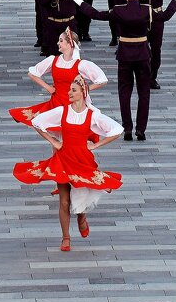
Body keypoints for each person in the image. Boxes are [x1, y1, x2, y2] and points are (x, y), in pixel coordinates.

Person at [14, 76, 123, 251]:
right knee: (64, 201)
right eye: (69, 90)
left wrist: (96, 145)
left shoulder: (93, 115)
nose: (69, 93)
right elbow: (37, 122)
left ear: (83, 93)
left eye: (73, 90)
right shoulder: (62, 111)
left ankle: (81, 216)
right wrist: (54, 142)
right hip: (63, 159)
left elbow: (117, 130)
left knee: (80, 197)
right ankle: (66, 238)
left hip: (82, 160)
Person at [71, 0, 176, 141]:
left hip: (124, 54)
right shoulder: (147, 10)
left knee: (125, 93)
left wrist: (79, 2)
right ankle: (141, 130)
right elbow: (165, 16)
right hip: (143, 54)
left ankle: (128, 129)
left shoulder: (118, 10)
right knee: (144, 93)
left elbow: (95, 14)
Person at [10, 29, 108, 125]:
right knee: (41, 124)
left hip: (73, 105)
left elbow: (102, 80)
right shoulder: (53, 60)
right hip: (55, 103)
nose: (58, 43)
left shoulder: (81, 64)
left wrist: (85, 89)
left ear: (70, 44)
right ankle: (55, 142)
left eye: (61, 41)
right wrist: (48, 87)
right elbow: (32, 73)